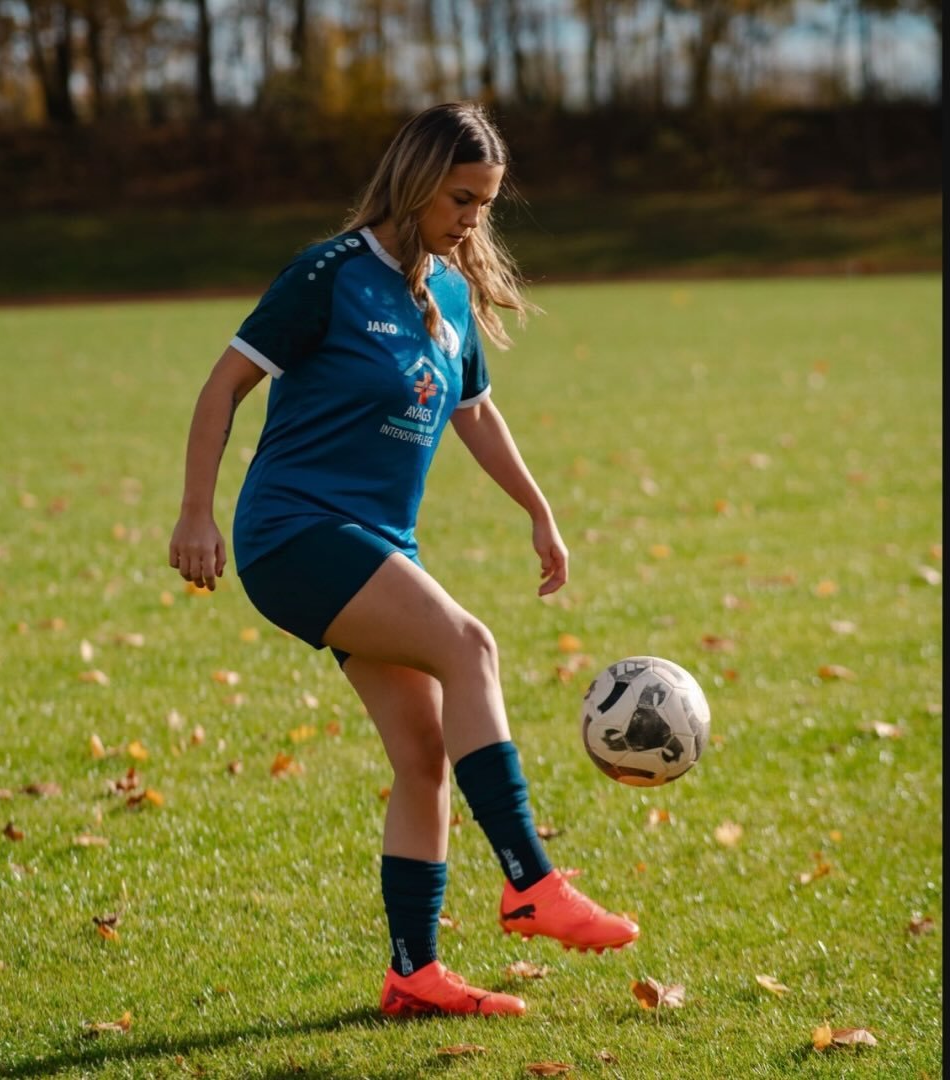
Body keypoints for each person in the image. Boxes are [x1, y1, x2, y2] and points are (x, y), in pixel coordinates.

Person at [168, 102, 639, 1019]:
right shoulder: (329, 274)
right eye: (460, 198)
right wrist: (196, 512)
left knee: (424, 755)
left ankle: (413, 974)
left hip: (379, 542)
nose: (473, 218)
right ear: (416, 182)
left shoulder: (450, 294)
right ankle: (530, 882)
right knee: (471, 645)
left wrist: (538, 510)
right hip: (294, 531)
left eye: (486, 203)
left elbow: (475, 412)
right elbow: (224, 384)